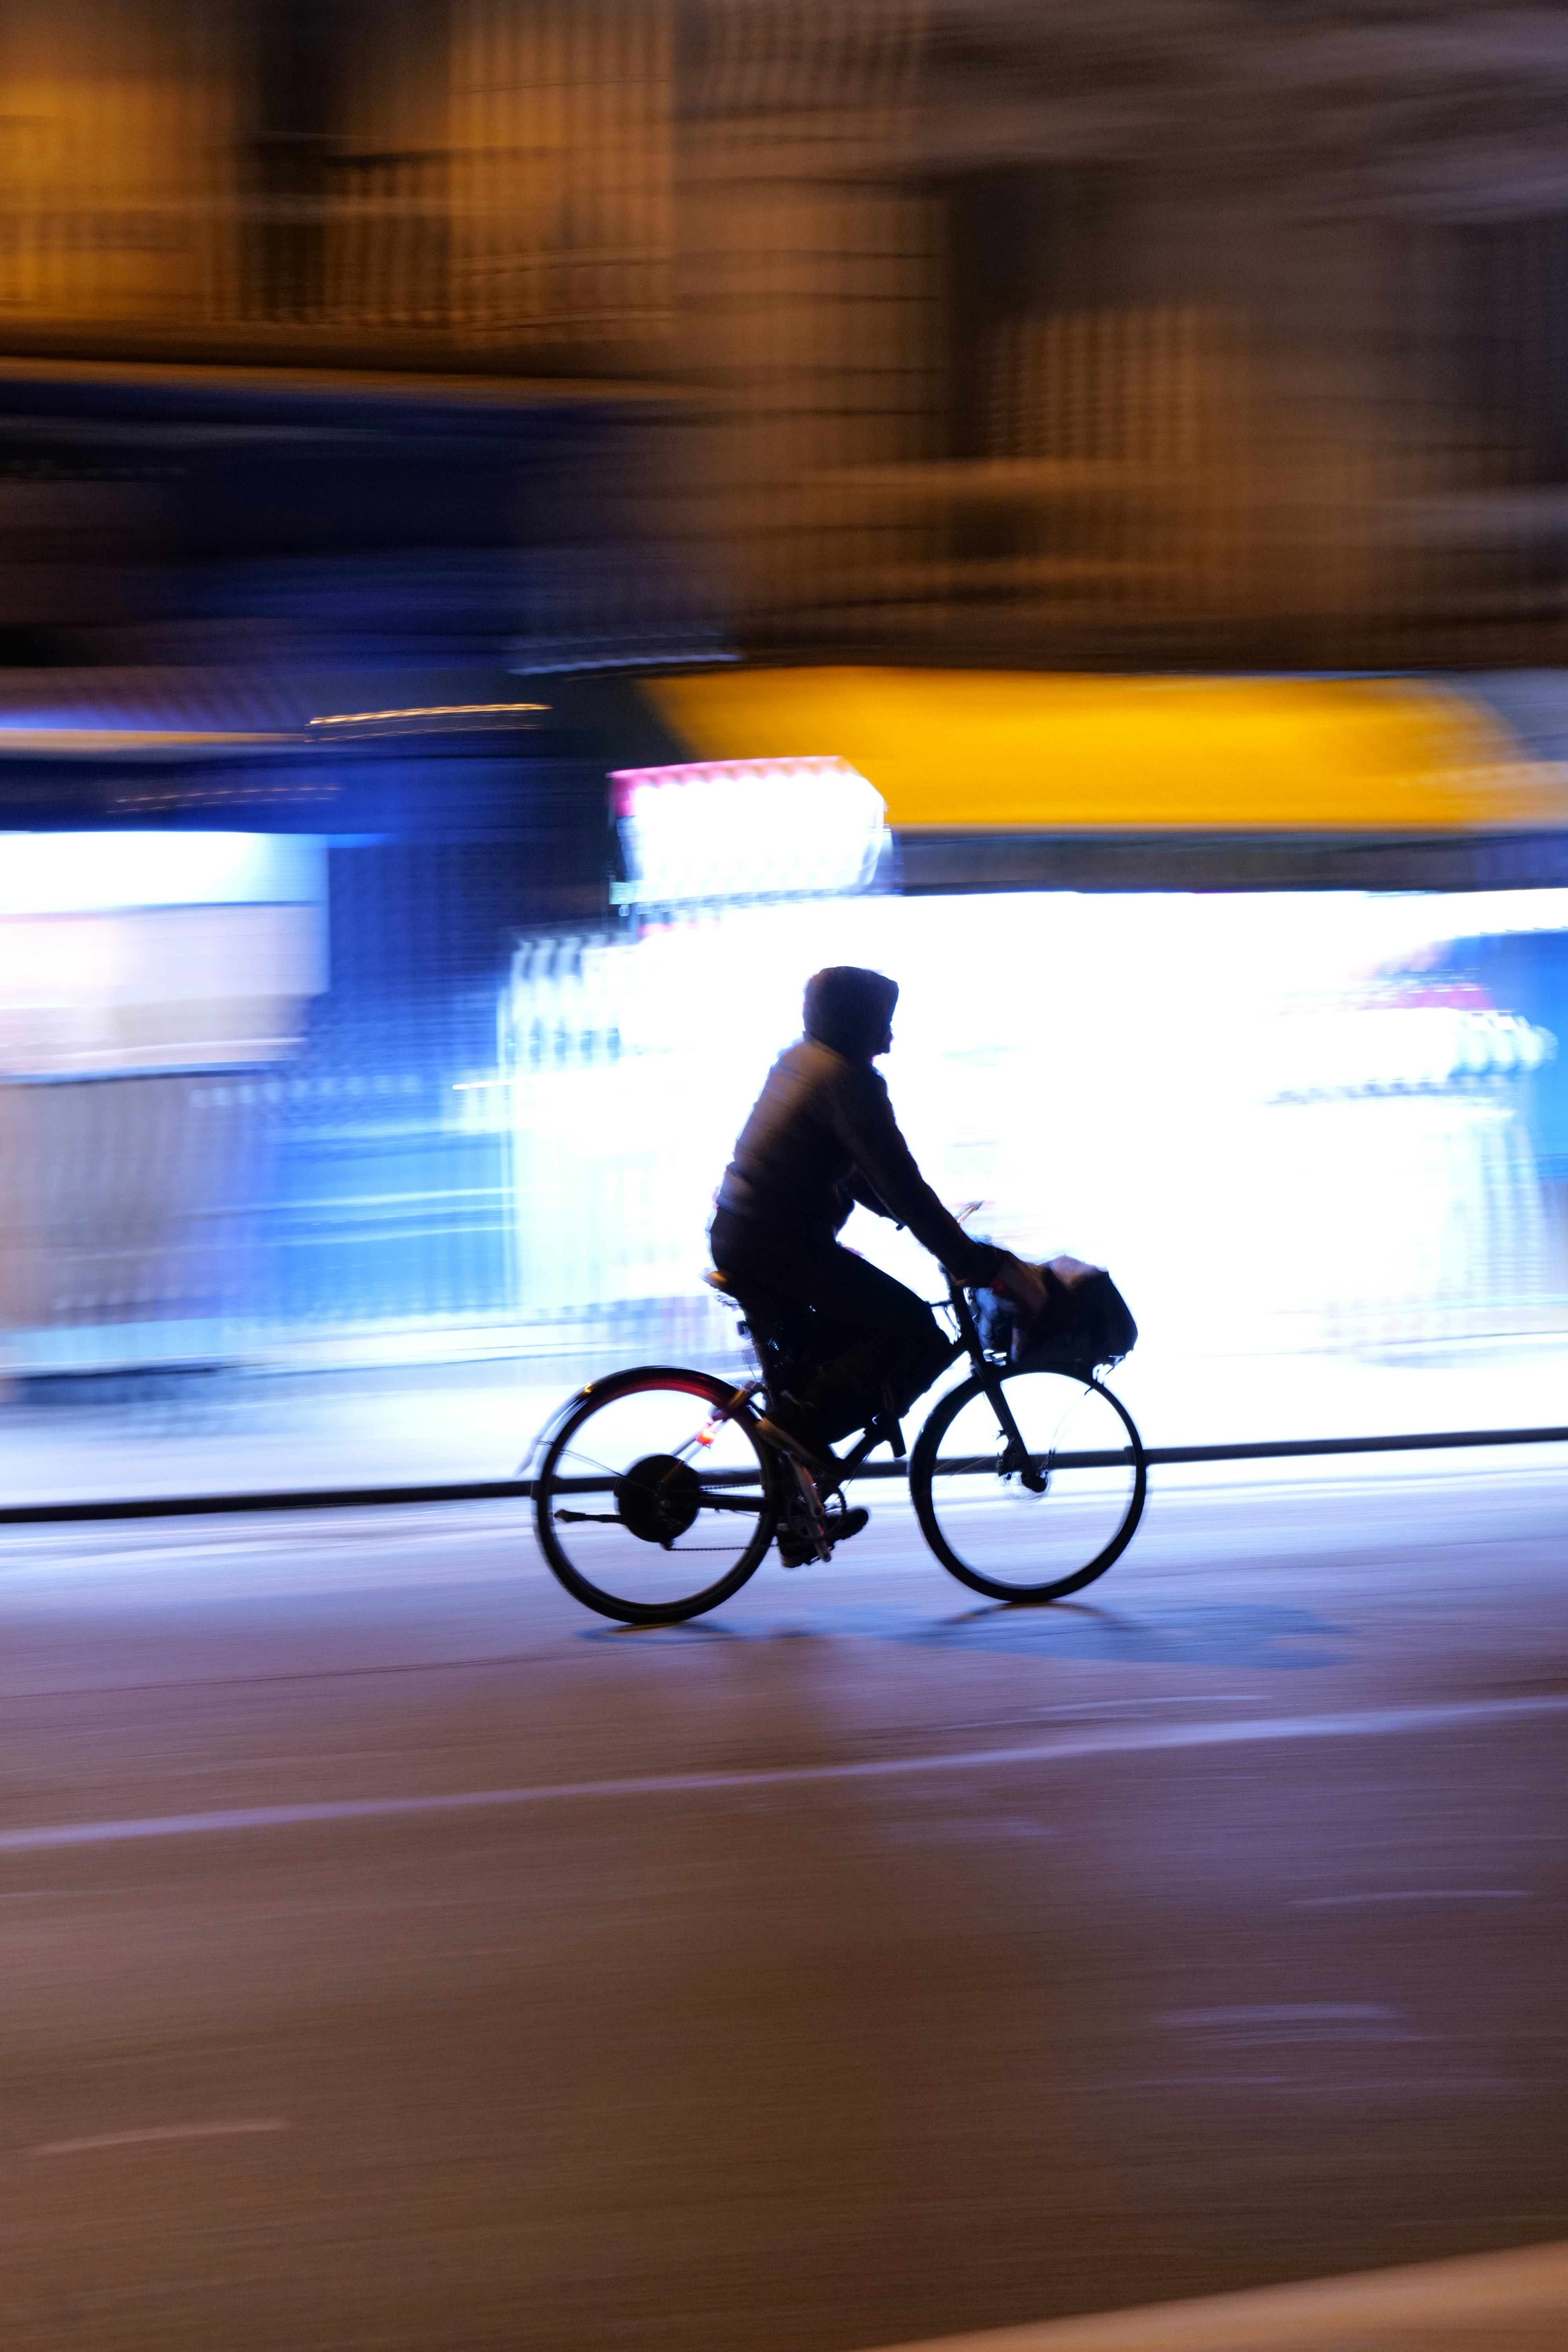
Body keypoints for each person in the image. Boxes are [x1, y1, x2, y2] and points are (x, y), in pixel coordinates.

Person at [710, 967, 1048, 1492]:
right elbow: (898, 1182)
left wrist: (914, 1222)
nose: (888, 1043)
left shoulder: (802, 1060)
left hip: (745, 1235)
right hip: (777, 1247)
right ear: (852, 1021)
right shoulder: (847, 1081)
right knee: (917, 1333)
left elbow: (865, 1174)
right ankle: (802, 1433)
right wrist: (968, 1262)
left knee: (838, 1348)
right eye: (881, 1025)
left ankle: (798, 1495)